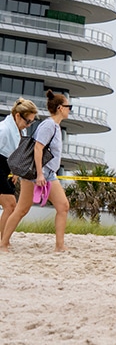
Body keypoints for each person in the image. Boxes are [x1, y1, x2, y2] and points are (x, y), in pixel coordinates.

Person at [0, 91, 70, 252]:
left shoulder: (55, 126)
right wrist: (39, 174)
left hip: (47, 174)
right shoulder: (48, 125)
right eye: (68, 106)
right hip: (39, 175)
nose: (69, 109)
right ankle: (3, 243)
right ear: (60, 108)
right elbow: (37, 149)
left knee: (60, 206)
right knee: (21, 208)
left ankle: (59, 245)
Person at [0, 98, 34, 240]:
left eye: (31, 122)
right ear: (18, 115)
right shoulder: (3, 129)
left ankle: (3, 239)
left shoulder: (22, 133)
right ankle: (3, 241)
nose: (28, 125)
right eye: (27, 121)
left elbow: (17, 155)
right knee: (10, 205)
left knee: (10, 206)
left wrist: (16, 172)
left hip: (6, 168)